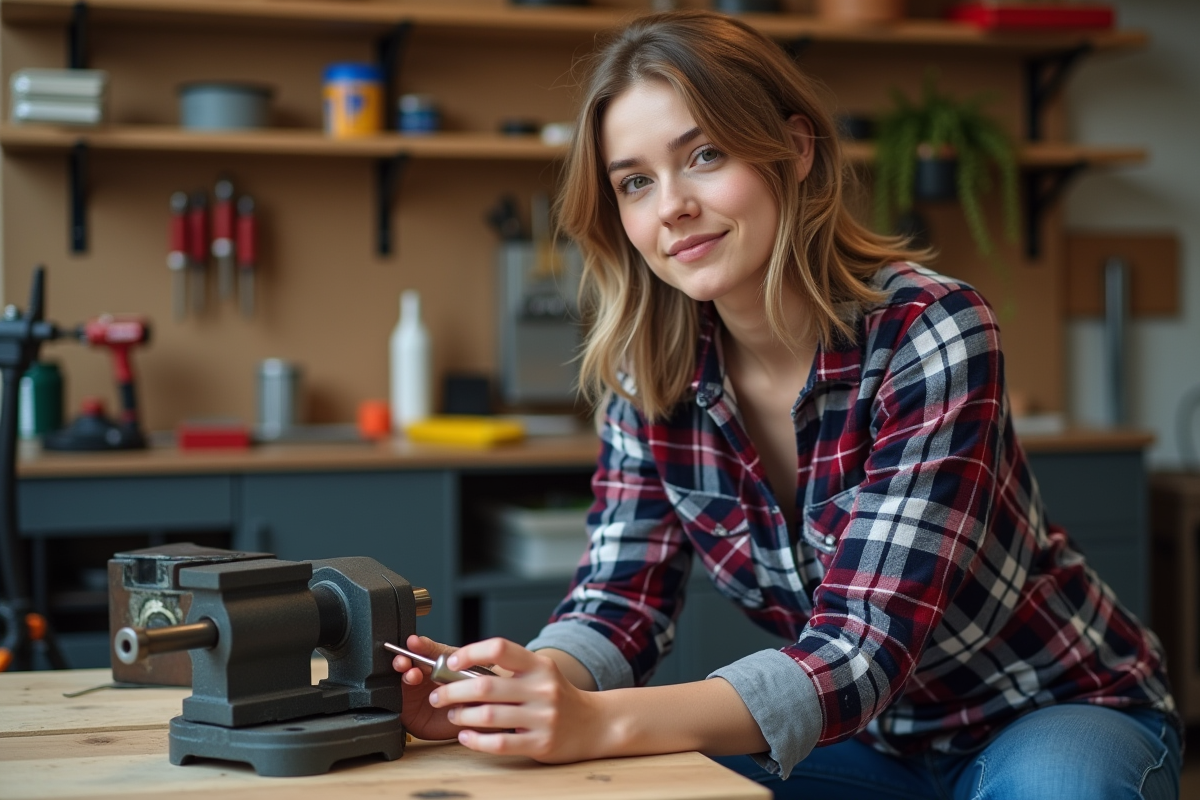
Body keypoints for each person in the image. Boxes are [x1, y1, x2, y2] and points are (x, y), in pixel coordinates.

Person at [391, 10, 1181, 798]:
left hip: (1045, 708)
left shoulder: (931, 330)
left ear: (795, 150)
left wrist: (600, 720)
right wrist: (515, 692)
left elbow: (860, 649)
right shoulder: (650, 374)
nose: (671, 206)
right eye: (635, 181)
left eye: (703, 155)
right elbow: (617, 603)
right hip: (863, 740)